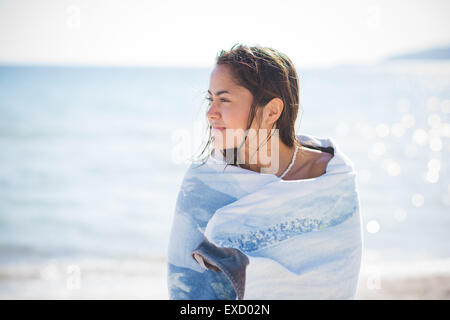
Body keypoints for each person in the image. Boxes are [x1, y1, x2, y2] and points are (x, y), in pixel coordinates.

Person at [167, 43, 362, 300]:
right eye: (210, 99)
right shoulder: (203, 182)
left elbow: (336, 281)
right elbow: (185, 289)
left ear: (271, 111)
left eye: (224, 99)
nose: (210, 113)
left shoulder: (332, 178)